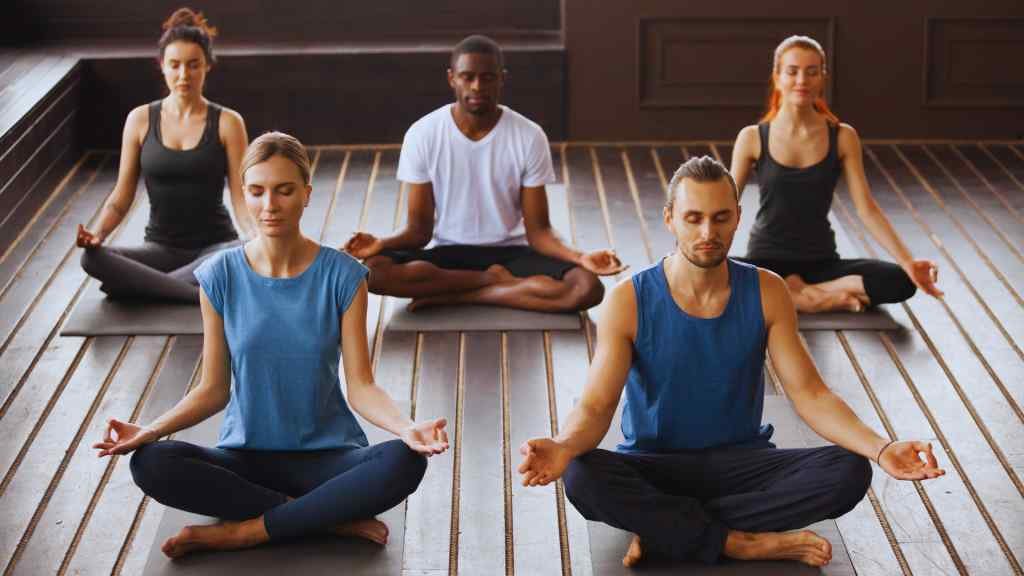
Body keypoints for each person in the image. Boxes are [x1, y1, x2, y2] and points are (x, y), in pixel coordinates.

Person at [517, 156, 944, 568]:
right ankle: (738, 542)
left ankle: (667, 529)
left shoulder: (767, 291)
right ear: (670, 219)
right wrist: (564, 445)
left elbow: (811, 394)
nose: (708, 231)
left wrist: (882, 448)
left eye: (721, 217)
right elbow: (594, 407)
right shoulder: (629, 299)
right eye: (693, 218)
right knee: (582, 475)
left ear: (738, 217)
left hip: (742, 464)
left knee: (849, 469)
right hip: (654, 466)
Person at [92, 132, 448, 558]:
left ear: (306, 194)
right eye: (257, 192)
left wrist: (407, 428)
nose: (269, 205)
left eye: (284, 191)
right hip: (246, 460)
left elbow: (362, 387)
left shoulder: (345, 275)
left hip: (328, 459)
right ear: (243, 194)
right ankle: (323, 518)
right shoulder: (219, 275)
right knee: (150, 463)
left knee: (404, 461)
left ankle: (243, 532)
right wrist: (149, 430)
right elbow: (213, 389)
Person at [343, 35, 624, 312]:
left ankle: (460, 296)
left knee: (586, 287)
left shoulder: (529, 135)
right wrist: (382, 243)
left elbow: (539, 231)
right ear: (452, 78)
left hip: (512, 253)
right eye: (468, 77)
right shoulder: (423, 134)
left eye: (488, 77)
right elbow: (418, 231)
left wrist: (581, 257)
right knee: (374, 273)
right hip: (449, 252)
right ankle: (491, 282)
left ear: (501, 79)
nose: (477, 86)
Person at [730, 35, 942, 313]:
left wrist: (908, 262)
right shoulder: (752, 137)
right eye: (792, 71)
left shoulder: (843, 136)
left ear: (822, 78)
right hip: (766, 260)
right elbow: (726, 204)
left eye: (812, 72)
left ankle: (799, 296)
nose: (802, 80)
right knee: (710, 277)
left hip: (821, 262)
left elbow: (867, 209)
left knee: (901, 281)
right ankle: (817, 299)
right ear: (777, 77)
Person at [77, 8, 255, 303]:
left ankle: (142, 288)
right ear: (162, 66)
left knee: (240, 255)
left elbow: (240, 199)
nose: (183, 75)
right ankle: (194, 293)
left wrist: (255, 237)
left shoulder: (228, 122)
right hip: (159, 250)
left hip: (215, 248)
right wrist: (97, 236)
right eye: (175, 65)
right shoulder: (140, 119)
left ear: (207, 66)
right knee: (91, 259)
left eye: (193, 65)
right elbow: (121, 199)